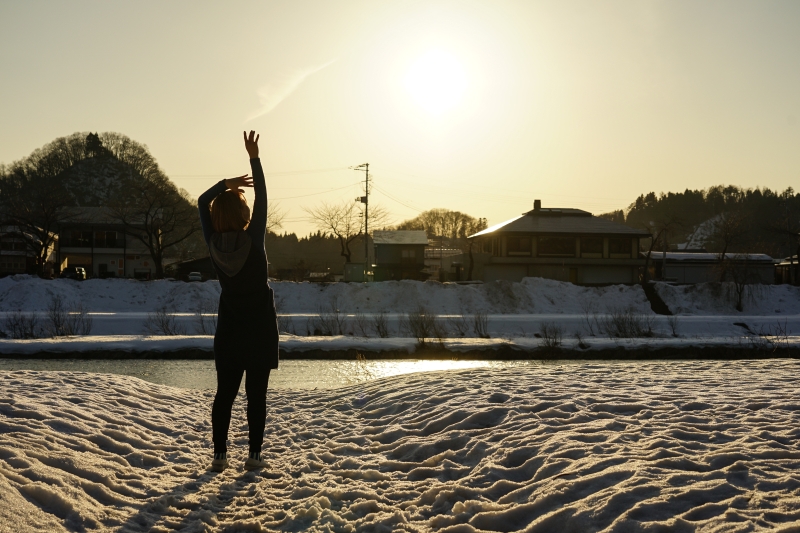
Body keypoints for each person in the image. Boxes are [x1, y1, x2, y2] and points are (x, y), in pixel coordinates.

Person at [198, 130, 279, 472]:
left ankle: (219, 455)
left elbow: (202, 202)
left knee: (224, 395)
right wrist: (254, 157)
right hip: (259, 330)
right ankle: (254, 455)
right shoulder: (254, 238)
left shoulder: (214, 243)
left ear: (217, 218)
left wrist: (224, 184)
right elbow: (262, 194)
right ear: (243, 214)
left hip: (229, 331)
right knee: (256, 396)